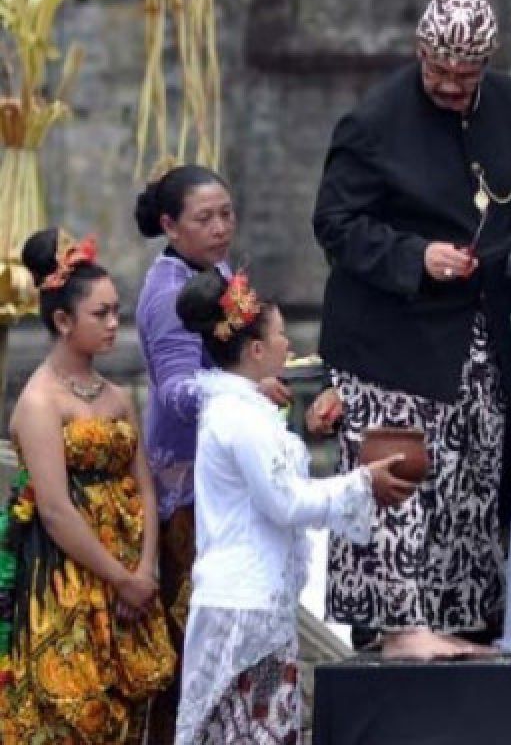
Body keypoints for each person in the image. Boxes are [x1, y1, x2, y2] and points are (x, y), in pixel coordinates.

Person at [312, 0, 511, 659]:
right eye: (439, 71)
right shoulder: (372, 121)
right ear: (420, 53)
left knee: (471, 482)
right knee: (400, 477)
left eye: (466, 75)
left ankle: (457, 626)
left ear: (487, 62)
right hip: (390, 334)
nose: (451, 86)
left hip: (476, 327)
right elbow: (334, 225)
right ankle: (398, 627)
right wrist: (415, 256)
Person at [171, 269, 414, 744]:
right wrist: (363, 482)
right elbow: (285, 501)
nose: (288, 343)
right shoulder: (240, 419)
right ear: (256, 350)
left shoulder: (242, 410)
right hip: (243, 603)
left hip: (254, 598)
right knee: (244, 730)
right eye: (280, 334)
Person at [133, 164, 292, 741]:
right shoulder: (170, 290)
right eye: (205, 218)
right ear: (171, 226)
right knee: (196, 630)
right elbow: (176, 391)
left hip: (230, 458)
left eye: (226, 213)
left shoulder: (218, 270)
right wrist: (242, 388)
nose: (221, 227)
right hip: (191, 482)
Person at [0, 229, 175, 743]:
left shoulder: (119, 396)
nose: (113, 324)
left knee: (133, 704)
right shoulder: (39, 403)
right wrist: (120, 578)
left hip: (132, 577)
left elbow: (144, 486)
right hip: (68, 573)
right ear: (62, 320)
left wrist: (144, 570)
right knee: (75, 706)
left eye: (115, 311)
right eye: (100, 314)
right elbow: (54, 510)